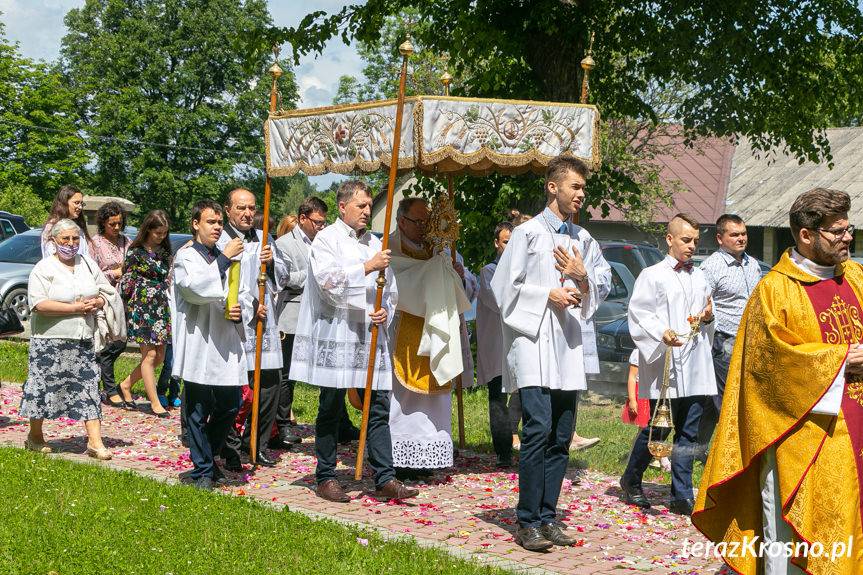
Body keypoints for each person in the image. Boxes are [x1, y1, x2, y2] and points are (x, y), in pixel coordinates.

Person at [694, 188, 863, 575]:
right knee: (790, 543)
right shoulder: (775, 290)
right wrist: (841, 360)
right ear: (806, 235)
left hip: (856, 426)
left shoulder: (854, 276)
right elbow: (768, 367)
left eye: (848, 228)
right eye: (837, 232)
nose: (848, 238)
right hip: (799, 440)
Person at [491, 156, 612, 551]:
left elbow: (603, 283)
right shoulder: (526, 234)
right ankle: (527, 521)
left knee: (561, 434)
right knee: (538, 428)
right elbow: (502, 288)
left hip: (567, 345)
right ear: (553, 187)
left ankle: (548, 515)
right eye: (574, 187)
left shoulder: (584, 240)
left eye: (583, 188)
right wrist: (548, 293)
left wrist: (582, 277)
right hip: (534, 341)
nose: (581, 194)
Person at [290, 180, 418, 503]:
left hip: (370, 336)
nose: (366, 211)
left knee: (378, 406)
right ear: (342, 206)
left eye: (367, 205)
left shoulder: (374, 243)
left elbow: (390, 289)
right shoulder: (326, 241)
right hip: (339, 333)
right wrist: (367, 268)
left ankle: (385, 476)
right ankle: (326, 475)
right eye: (360, 206)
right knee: (331, 405)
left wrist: (383, 311)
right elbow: (328, 284)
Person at [620, 213, 716, 517]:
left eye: (696, 241)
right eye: (686, 240)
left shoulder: (699, 276)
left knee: (689, 431)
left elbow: (706, 317)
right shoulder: (652, 274)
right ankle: (632, 479)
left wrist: (709, 318)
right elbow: (639, 313)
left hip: (695, 364)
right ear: (670, 239)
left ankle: (681, 494)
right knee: (658, 428)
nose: (691, 246)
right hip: (667, 363)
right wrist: (661, 333)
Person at [388, 197, 472, 479]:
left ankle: (428, 459)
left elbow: (468, 288)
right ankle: (400, 460)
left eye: (429, 221)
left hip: (438, 331)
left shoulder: (443, 250)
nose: (426, 228)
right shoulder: (389, 249)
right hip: (403, 331)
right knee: (404, 400)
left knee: (435, 402)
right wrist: (431, 274)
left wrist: (456, 276)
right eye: (419, 222)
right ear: (401, 221)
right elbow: (393, 285)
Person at [21, 219, 120, 460]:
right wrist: (75, 308)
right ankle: (35, 436)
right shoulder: (44, 268)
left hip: (82, 337)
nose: (70, 243)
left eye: (75, 239)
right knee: (43, 389)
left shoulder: (87, 264)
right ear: (53, 241)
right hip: (50, 340)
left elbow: (105, 290)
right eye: (65, 239)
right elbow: (38, 304)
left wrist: (99, 302)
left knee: (88, 388)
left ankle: (95, 442)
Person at [172, 199, 247, 490]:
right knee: (197, 408)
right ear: (195, 224)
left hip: (224, 338)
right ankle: (203, 469)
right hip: (199, 339)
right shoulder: (186, 256)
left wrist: (243, 309)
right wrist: (225, 260)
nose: (217, 228)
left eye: (219, 223)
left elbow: (242, 292)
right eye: (210, 222)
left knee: (231, 404)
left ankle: (208, 458)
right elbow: (194, 289)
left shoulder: (225, 255)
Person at [218, 188, 289, 469]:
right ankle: (230, 446)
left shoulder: (264, 237)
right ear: (228, 210)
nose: (247, 213)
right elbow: (223, 283)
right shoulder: (222, 239)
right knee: (235, 389)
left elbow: (283, 276)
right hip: (236, 324)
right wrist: (249, 307)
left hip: (265, 323)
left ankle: (256, 443)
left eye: (251, 208)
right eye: (241, 208)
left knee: (270, 385)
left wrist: (270, 262)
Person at [697, 214, 762, 444]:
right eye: (734, 234)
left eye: (743, 233)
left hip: (749, 340)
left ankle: (694, 446)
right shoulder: (711, 267)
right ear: (720, 238)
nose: (741, 238)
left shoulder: (752, 264)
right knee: (727, 399)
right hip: (723, 341)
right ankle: (730, 452)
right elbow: (702, 302)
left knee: (715, 402)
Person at [273, 197, 329, 448]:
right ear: (303, 218)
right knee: (287, 373)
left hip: (320, 315)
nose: (320, 226)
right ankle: (282, 424)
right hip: (292, 315)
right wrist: (315, 276)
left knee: (327, 370)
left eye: (323, 222)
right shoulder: (284, 244)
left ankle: (337, 421)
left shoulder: (325, 242)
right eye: (316, 222)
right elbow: (283, 278)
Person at [117, 210, 173, 417]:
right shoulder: (136, 252)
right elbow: (126, 281)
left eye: (164, 233)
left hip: (161, 304)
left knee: (159, 357)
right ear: (148, 229)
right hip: (142, 305)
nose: (161, 236)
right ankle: (154, 402)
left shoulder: (165, 253)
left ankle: (125, 384)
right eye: (158, 232)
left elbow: (169, 277)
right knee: (149, 355)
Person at [477, 220, 515, 468]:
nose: (510, 248)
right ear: (496, 244)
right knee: (498, 396)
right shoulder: (488, 272)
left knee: (526, 396)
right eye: (505, 242)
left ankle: (522, 439)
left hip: (519, 343)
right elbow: (502, 305)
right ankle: (503, 450)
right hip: (497, 344)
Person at [90, 201, 130, 408]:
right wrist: (113, 273)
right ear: (103, 223)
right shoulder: (95, 243)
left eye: (119, 223)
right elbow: (91, 272)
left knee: (121, 341)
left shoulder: (126, 241)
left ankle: (101, 380)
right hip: (105, 298)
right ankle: (110, 388)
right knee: (108, 343)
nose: (116, 228)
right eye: (112, 224)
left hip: (124, 298)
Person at [621, 349, 670, 472]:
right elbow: (632, 377)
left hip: (656, 394)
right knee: (645, 429)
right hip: (643, 394)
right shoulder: (638, 352)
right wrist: (632, 399)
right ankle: (633, 459)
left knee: (660, 427)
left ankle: (658, 457)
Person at [42, 185, 91, 258]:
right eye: (76, 203)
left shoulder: (78, 227)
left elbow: (85, 253)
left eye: (81, 203)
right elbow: (51, 256)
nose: (80, 207)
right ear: (64, 203)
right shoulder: (52, 227)